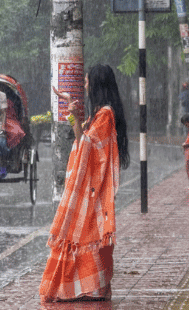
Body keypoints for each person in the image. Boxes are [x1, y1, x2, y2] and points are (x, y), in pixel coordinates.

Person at [39, 64, 129, 302]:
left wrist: (75, 118)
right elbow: (84, 142)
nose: (86, 85)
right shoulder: (100, 113)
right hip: (92, 185)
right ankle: (91, 286)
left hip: (95, 186)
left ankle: (96, 287)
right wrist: (75, 115)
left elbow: (88, 145)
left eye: (88, 81)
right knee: (89, 231)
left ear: (97, 84)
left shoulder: (105, 114)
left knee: (92, 231)